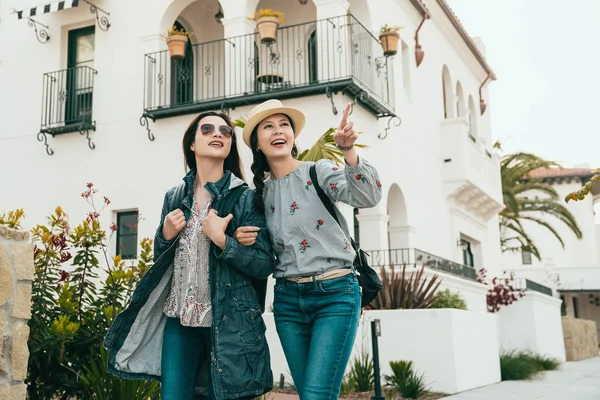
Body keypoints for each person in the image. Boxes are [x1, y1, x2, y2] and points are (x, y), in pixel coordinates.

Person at [104, 111, 274, 400]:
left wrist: (223, 241)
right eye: (207, 129)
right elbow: (165, 261)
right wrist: (165, 235)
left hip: (229, 324)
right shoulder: (174, 196)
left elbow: (263, 263)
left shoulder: (243, 197)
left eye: (225, 131)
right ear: (192, 144)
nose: (217, 134)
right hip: (179, 323)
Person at [235, 99, 383, 399]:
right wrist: (240, 236)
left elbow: (368, 197)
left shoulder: (319, 170)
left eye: (284, 125)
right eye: (268, 126)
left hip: (336, 294)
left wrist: (348, 152)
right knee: (310, 396)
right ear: (258, 143)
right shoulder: (257, 196)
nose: (278, 131)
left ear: (292, 136)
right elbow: (261, 256)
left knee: (316, 395)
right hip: (288, 302)